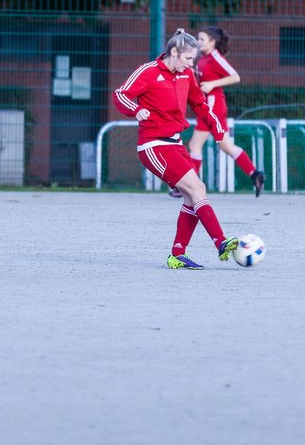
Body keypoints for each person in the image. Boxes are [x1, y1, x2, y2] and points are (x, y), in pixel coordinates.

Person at [114, 29, 240, 269]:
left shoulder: (187, 75)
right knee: (195, 188)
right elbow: (120, 94)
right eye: (188, 59)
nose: (191, 64)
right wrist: (135, 109)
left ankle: (177, 254)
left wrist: (217, 127)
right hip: (154, 145)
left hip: (175, 143)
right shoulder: (149, 71)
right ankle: (221, 242)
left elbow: (199, 104)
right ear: (174, 52)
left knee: (195, 192)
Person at [180, 26, 267, 197]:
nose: (198, 42)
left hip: (212, 106)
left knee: (194, 145)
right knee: (226, 146)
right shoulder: (203, 58)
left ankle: (190, 187)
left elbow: (235, 76)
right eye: (197, 39)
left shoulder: (215, 57)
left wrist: (212, 84)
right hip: (214, 106)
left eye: (202, 39)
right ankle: (255, 175)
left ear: (213, 42)